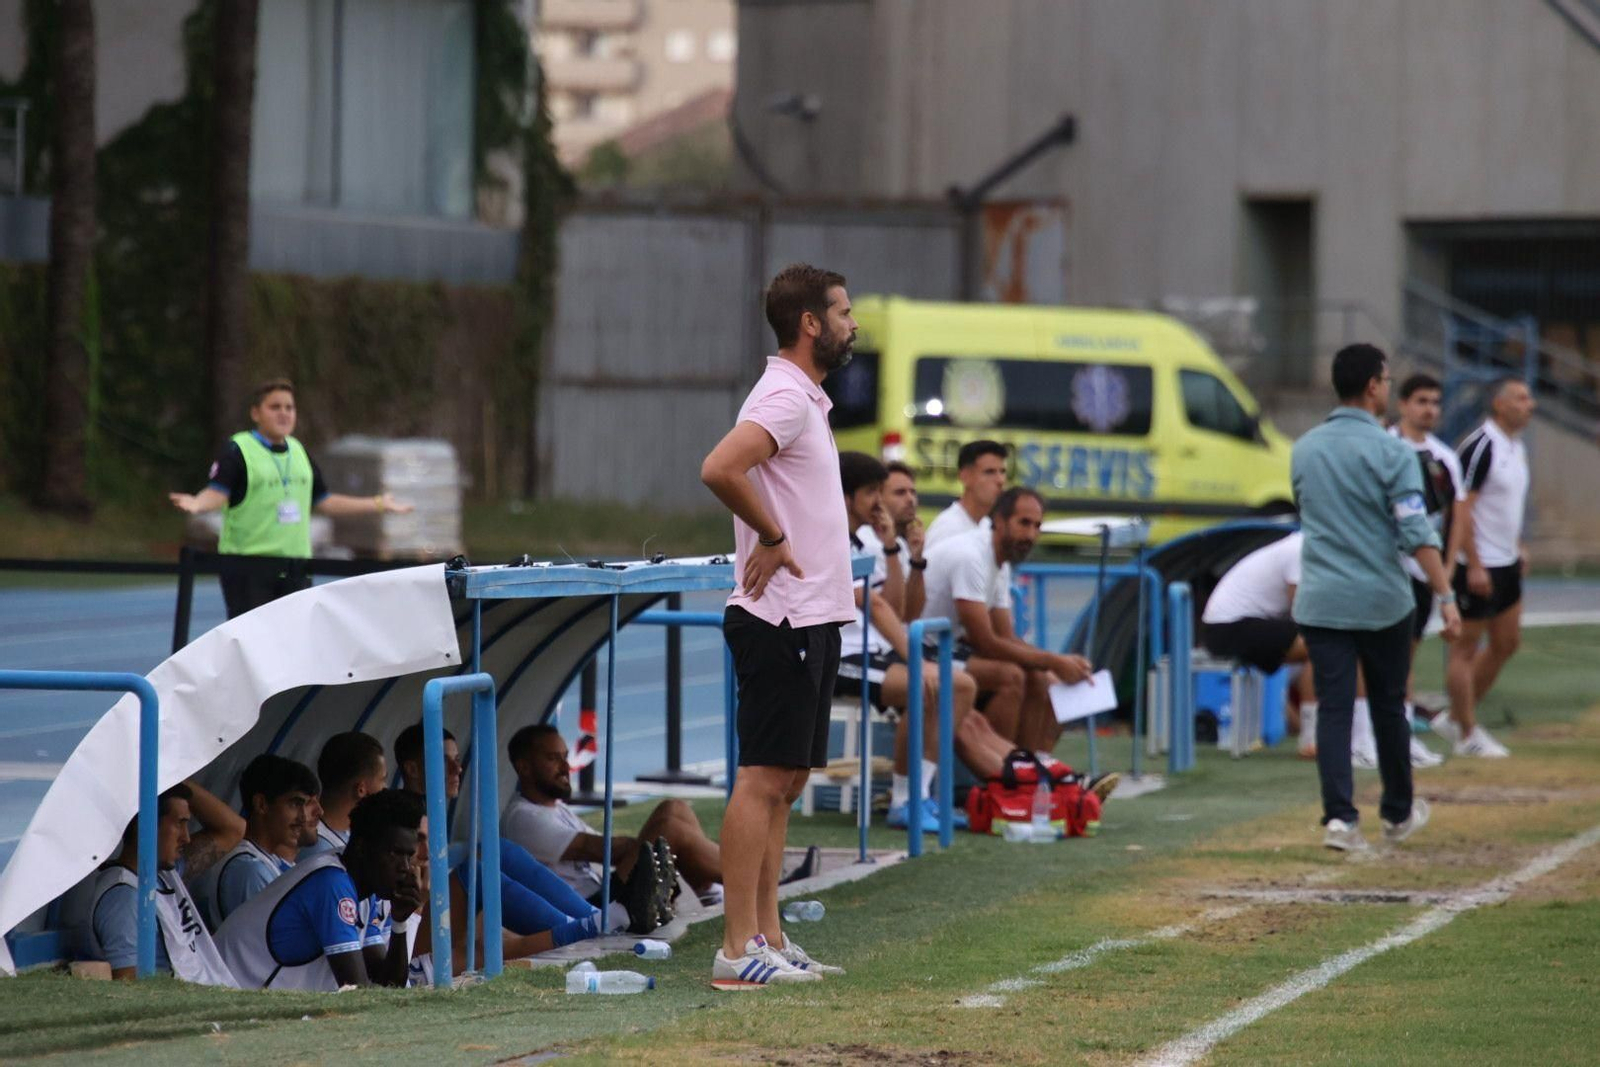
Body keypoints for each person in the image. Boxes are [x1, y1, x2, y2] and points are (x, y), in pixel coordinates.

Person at [699, 262, 857, 988]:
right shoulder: (784, 395)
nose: (853, 324)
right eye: (844, 312)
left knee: (787, 782)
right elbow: (720, 467)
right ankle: (736, 949)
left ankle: (768, 932)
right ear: (811, 323)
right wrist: (768, 536)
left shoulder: (807, 399)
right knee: (761, 779)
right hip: (779, 618)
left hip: (814, 616)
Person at [1290, 343, 1461, 852]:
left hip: (1321, 598)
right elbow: (1415, 532)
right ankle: (1397, 812)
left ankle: (1340, 819)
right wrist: (1446, 594)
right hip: (1382, 600)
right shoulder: (1394, 453)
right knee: (1390, 704)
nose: (1388, 389)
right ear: (1372, 386)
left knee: (1336, 707)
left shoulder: (1304, 448)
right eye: (1386, 381)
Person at [836, 451, 1016, 831]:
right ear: (849, 496)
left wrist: (905, 555)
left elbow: (902, 610)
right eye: (879, 492)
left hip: (876, 649)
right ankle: (906, 801)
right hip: (840, 654)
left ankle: (920, 796)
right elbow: (875, 605)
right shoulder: (835, 538)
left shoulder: (875, 541)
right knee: (932, 684)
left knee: (958, 684)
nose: (902, 501)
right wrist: (916, 658)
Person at [167, 378, 414, 618]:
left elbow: (324, 501)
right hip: (249, 570)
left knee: (293, 649)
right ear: (256, 413)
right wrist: (198, 503)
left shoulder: (299, 451)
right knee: (255, 647)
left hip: (295, 569)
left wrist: (378, 503)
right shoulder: (238, 449)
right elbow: (217, 492)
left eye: (289, 407)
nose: (283, 413)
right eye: (275, 407)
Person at [393, 723, 642, 937]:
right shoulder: (406, 818)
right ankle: (586, 926)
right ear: (412, 770)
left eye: (457, 760)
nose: (457, 769)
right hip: (419, 924)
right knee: (481, 870)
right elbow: (417, 891)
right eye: (443, 761)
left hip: (436, 911)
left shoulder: (429, 813)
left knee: (496, 854)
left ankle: (591, 921)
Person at [503, 724, 764, 911]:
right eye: (552, 759)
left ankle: (710, 893)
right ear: (523, 767)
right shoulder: (522, 817)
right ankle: (757, 879)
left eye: (565, 757)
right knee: (669, 828)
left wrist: (649, 846)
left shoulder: (556, 809)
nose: (565, 767)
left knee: (674, 808)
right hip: (594, 907)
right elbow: (603, 851)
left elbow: (610, 848)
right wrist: (653, 846)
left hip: (607, 891)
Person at [921, 487, 1094, 757]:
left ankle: (1035, 771)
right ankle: (1003, 779)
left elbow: (1006, 636)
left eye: (1037, 526)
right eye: (1024, 523)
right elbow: (987, 643)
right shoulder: (971, 555)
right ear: (999, 521)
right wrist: (1055, 661)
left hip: (947, 646)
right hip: (919, 649)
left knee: (1044, 679)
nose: (1031, 535)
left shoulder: (999, 560)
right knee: (1011, 677)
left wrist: (1057, 664)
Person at [215, 788, 424, 989]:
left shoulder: (362, 887)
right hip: (224, 995)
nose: (405, 867)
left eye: (408, 855)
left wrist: (399, 922)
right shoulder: (332, 882)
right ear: (362, 847)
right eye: (395, 854)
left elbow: (388, 984)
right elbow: (356, 994)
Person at [1436, 377, 1535, 759]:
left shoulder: (1516, 445)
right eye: (1521, 398)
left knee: (1507, 642)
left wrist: (1518, 546)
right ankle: (1466, 731)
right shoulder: (1480, 446)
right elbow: (1462, 508)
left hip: (1506, 562)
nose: (1531, 405)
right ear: (1498, 404)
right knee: (1465, 648)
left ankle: (1455, 715)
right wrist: (1473, 564)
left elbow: (1504, 507)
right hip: (1477, 566)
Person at [85, 783, 241, 984]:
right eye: (179, 824)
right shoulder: (124, 897)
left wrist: (171, 775)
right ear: (147, 825)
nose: (186, 837)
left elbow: (233, 829)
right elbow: (130, 988)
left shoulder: (164, 873)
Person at [1388, 373, 1467, 765]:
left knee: (1406, 655)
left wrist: (1447, 568)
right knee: (1383, 656)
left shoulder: (1444, 457)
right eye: (1421, 401)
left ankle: (1399, 735)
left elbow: (1457, 514)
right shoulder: (1385, 446)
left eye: (1435, 402)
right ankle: (1379, 734)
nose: (1429, 409)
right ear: (1402, 404)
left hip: (1421, 571)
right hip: (1386, 567)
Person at [192, 754, 319, 930]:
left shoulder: (267, 861)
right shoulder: (248, 868)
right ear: (261, 804)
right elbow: (274, 940)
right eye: (294, 804)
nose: (303, 817)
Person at [302, 731, 388, 858]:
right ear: (361, 790)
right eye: (382, 779)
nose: (385, 788)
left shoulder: (353, 835)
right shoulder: (317, 848)